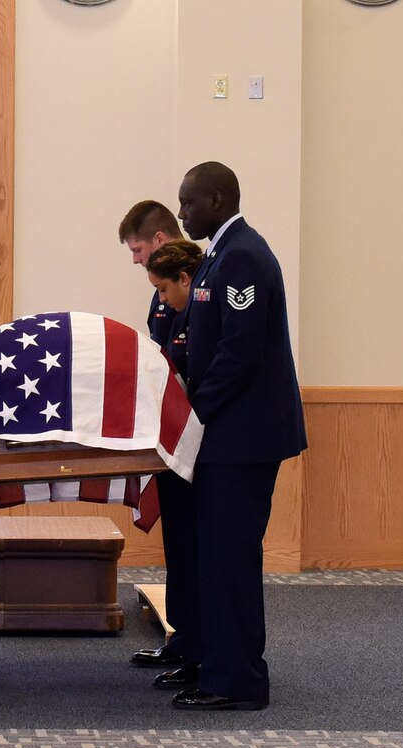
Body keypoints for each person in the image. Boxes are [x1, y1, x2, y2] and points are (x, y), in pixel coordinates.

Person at [171, 162, 306, 711]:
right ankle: (216, 664)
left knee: (230, 556)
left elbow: (239, 351)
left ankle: (238, 680)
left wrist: (193, 413)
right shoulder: (218, 258)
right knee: (215, 555)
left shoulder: (243, 255)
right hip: (225, 435)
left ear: (219, 198)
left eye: (189, 203)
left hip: (241, 436)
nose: (181, 215)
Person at [135, 238, 204, 686]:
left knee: (198, 553)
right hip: (173, 441)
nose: (160, 299)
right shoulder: (175, 310)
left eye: (163, 289)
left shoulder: (198, 310)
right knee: (180, 549)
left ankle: (199, 644)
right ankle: (184, 638)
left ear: (183, 278)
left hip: (194, 440)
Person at [118, 200, 185, 349]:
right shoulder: (160, 287)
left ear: (159, 239)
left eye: (137, 250)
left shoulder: (200, 282)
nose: (135, 260)